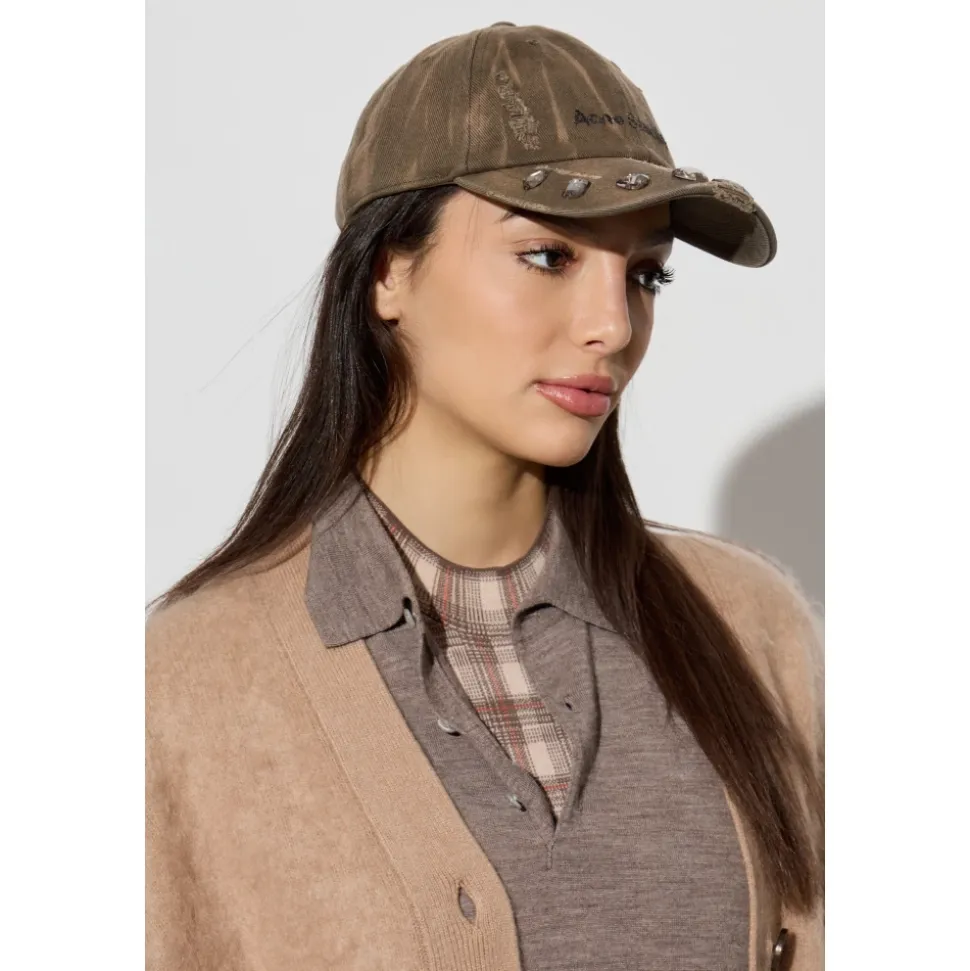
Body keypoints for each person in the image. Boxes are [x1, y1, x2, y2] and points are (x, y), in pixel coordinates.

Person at [146, 21, 823, 971]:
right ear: (389, 271)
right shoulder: (186, 687)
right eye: (548, 256)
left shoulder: (749, 627)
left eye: (645, 273)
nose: (613, 324)